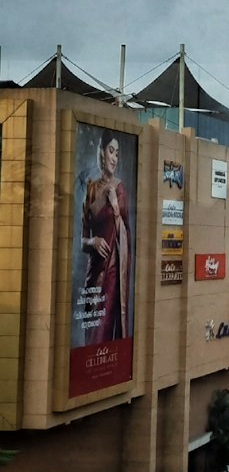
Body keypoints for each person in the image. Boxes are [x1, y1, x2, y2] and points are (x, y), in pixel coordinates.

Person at [80, 130, 132, 343]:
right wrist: (93, 241)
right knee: (90, 330)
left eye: (118, 153)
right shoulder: (91, 189)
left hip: (112, 273)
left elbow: (126, 230)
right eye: (111, 151)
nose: (115, 158)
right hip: (93, 272)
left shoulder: (119, 189)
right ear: (102, 152)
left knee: (102, 331)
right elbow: (81, 240)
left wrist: (115, 208)